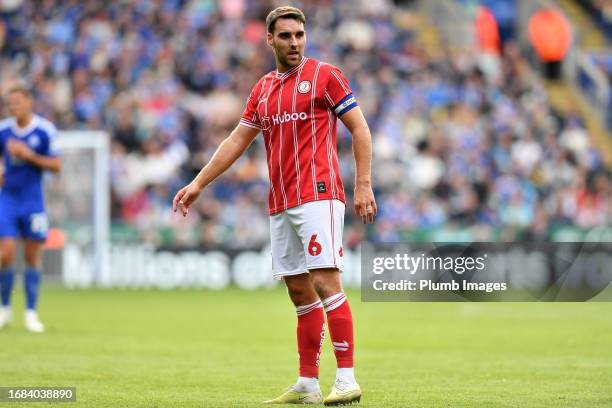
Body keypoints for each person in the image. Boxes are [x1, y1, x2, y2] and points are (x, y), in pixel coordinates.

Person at [173, 6, 376, 405]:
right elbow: (236, 141)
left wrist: (363, 184)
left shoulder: (325, 76)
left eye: (299, 34)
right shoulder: (263, 89)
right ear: (270, 39)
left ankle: (347, 378)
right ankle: (307, 384)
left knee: (325, 281)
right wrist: (198, 183)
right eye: (285, 36)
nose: (294, 42)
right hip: (281, 201)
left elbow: (359, 127)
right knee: (299, 291)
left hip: (318, 193)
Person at [0, 83, 62, 333]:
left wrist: (29, 155)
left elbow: (56, 166)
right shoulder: (3, 130)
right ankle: (4, 309)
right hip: (8, 199)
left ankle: (30, 313)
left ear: (28, 102)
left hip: (33, 200)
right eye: (9, 103)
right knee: (6, 252)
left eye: (17, 102)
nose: (13, 107)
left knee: (32, 257)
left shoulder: (45, 131)